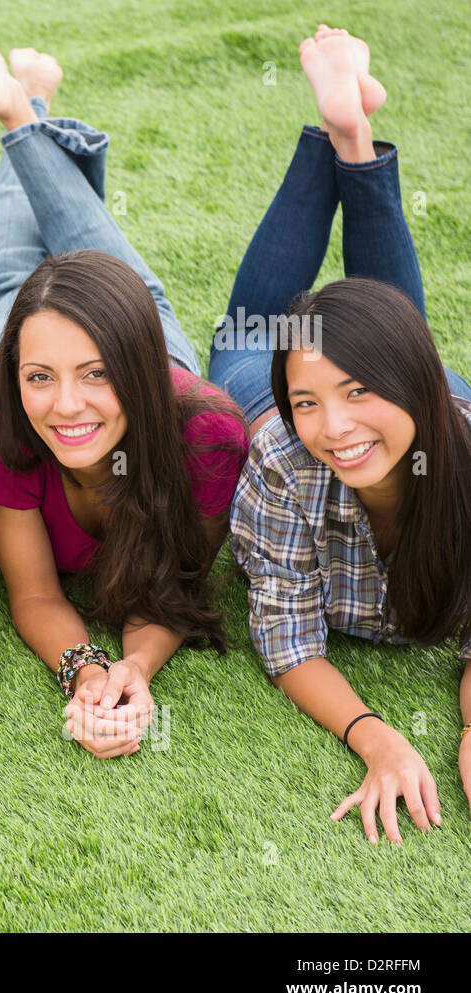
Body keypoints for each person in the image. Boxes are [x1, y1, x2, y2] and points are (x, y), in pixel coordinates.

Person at [0, 0, 248, 758]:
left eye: (94, 376)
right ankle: (23, 102)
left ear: (126, 370)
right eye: (42, 378)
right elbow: (34, 594)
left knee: (50, 234)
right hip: (23, 322)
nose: (65, 406)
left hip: (143, 327)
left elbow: (174, 585)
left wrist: (136, 666)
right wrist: (86, 669)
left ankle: (19, 105)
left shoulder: (209, 433)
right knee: (23, 261)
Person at [224, 27, 471, 844]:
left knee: (392, 339)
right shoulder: (284, 452)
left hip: (433, 405)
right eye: (312, 402)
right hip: (269, 389)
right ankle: (346, 137)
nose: (332, 428)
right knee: (255, 330)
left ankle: (345, 132)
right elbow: (287, 635)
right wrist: (376, 735)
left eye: (353, 394)